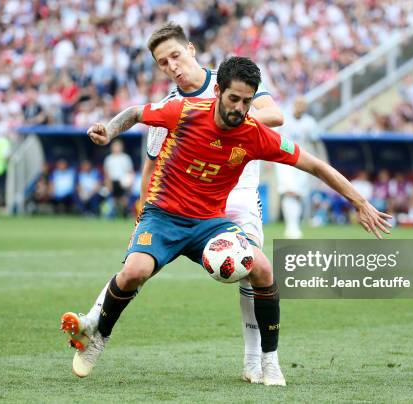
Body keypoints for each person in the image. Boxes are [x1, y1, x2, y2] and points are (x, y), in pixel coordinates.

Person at [61, 57, 392, 385]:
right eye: (234, 99)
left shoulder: (255, 134)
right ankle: (99, 337)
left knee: (263, 268)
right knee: (134, 272)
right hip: (163, 216)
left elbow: (315, 165)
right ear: (217, 91)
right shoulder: (185, 112)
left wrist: (360, 202)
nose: (240, 108)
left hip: (210, 222)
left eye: (247, 101)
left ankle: (269, 361)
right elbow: (135, 112)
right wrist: (110, 129)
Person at [85, 22, 284, 384]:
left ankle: (256, 361)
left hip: (238, 194)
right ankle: (93, 321)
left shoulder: (232, 81)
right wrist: (142, 208)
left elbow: (274, 115)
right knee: (138, 267)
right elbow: (151, 162)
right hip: (185, 202)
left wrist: (219, 117)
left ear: (191, 49)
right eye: (163, 63)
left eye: (175, 55)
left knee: (252, 268)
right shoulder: (169, 108)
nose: (172, 66)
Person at [275, 97, 319, 239]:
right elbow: (273, 137)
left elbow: (315, 142)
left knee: (299, 194)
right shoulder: (284, 119)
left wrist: (320, 160)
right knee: (289, 191)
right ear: (293, 105)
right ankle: (291, 227)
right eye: (297, 104)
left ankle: (294, 226)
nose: (300, 107)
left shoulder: (310, 123)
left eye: (302, 104)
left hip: (302, 161)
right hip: (284, 160)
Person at [103, 139, 134, 217]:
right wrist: (108, 183)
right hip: (113, 181)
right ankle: (115, 213)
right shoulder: (109, 159)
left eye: (118, 146)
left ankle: (126, 213)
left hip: (122, 181)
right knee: (114, 199)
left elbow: (130, 171)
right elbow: (106, 173)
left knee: (123, 198)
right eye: (115, 146)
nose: (116, 148)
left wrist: (130, 182)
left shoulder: (125, 158)